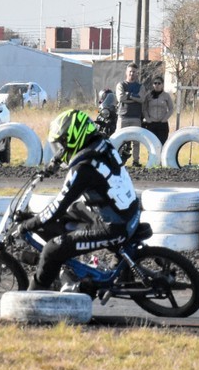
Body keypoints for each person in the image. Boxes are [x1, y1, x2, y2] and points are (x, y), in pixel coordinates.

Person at [11, 108, 140, 291]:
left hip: (115, 226)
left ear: (73, 139)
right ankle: (67, 263)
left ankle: (34, 296)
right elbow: (67, 153)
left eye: (61, 144)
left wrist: (27, 224)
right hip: (126, 212)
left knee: (51, 249)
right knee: (73, 211)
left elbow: (57, 207)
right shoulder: (102, 144)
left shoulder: (83, 169)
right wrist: (54, 163)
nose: (60, 150)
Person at [141, 74, 173, 148]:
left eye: (159, 83)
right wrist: (148, 119)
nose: (157, 85)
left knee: (162, 145)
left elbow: (171, 108)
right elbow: (144, 109)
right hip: (151, 124)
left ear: (162, 85)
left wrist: (165, 119)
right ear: (153, 85)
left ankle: (161, 156)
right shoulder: (148, 96)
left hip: (162, 124)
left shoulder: (166, 96)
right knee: (152, 145)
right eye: (155, 83)